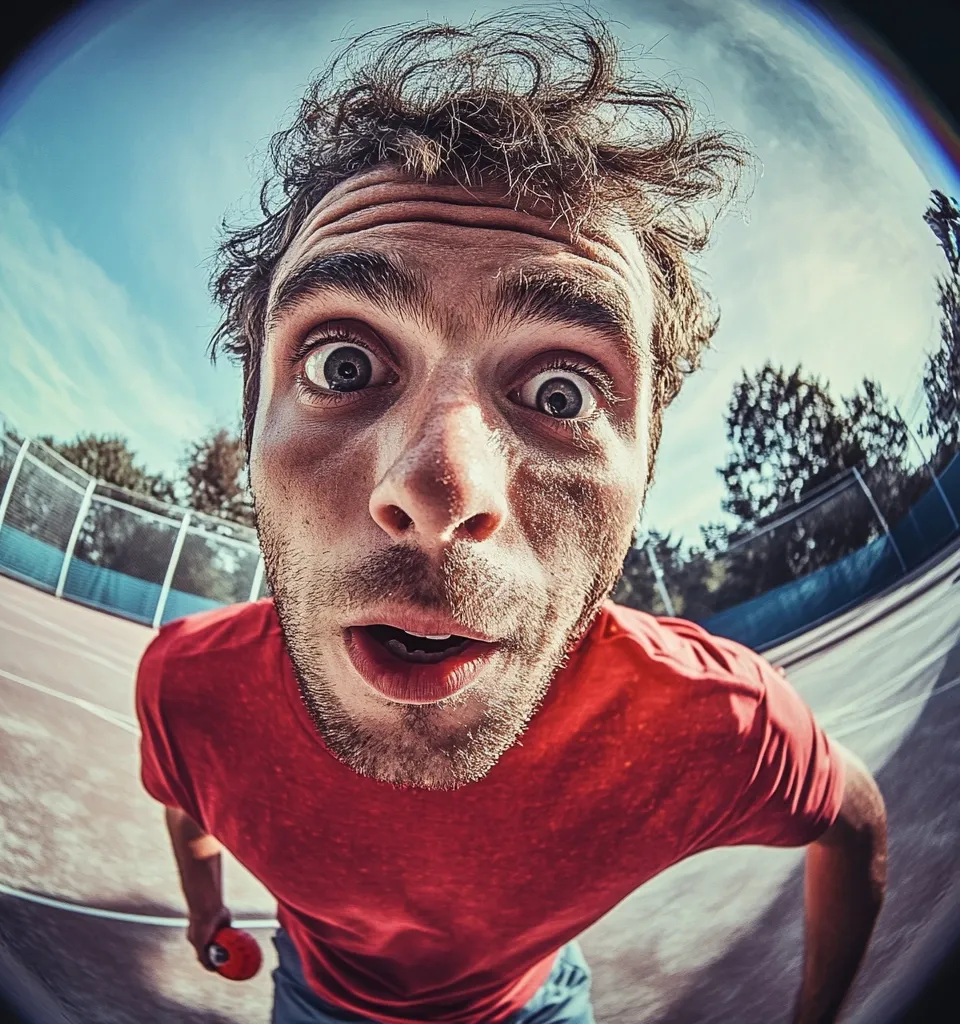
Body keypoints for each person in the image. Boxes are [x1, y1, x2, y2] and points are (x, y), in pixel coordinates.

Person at [135, 11, 887, 1023]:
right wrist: (205, 912)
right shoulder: (187, 690)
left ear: (646, 467)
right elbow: (189, 806)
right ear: (250, 424)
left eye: (563, 392)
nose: (439, 491)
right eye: (341, 365)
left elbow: (852, 817)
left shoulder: (714, 721)